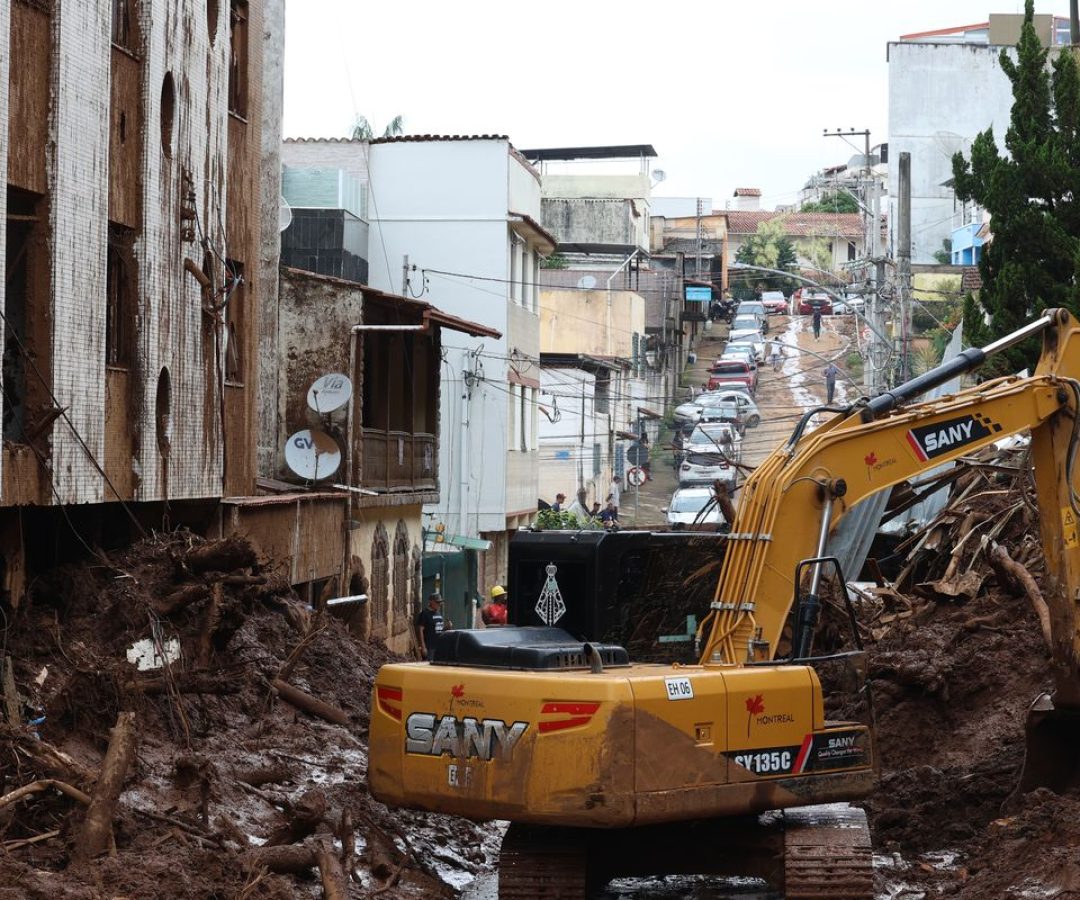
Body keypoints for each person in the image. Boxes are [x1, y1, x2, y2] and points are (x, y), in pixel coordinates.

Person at [415, 592, 446, 661]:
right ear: (431, 602)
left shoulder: (438, 613)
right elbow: (420, 630)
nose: (439, 604)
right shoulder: (425, 613)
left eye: (440, 602)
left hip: (438, 646)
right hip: (429, 647)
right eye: (437, 602)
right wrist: (423, 646)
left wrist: (447, 627)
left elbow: (439, 628)